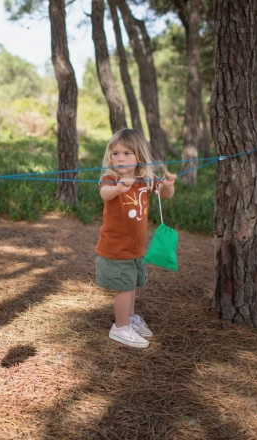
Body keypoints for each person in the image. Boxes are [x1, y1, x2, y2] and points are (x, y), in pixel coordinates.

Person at [95, 128, 176, 349]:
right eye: (115, 153)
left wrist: (169, 185)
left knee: (131, 285)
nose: (120, 158)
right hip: (115, 246)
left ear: (139, 156)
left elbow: (165, 196)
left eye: (127, 153)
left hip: (135, 248)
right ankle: (120, 328)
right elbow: (105, 194)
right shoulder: (110, 179)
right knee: (125, 288)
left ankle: (129, 320)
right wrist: (119, 188)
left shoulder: (144, 179)